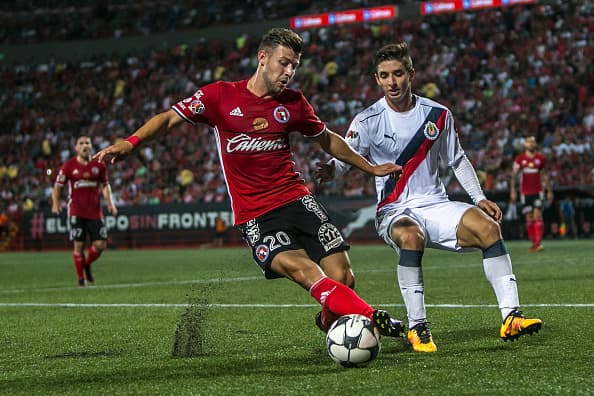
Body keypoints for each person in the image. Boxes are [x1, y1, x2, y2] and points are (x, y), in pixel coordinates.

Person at [93, 28, 404, 338]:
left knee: (343, 277)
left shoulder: (294, 103)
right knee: (306, 272)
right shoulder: (219, 96)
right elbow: (169, 118)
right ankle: (371, 317)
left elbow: (327, 140)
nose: (289, 72)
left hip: (297, 200)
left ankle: (329, 320)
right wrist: (130, 143)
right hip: (257, 215)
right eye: (284, 63)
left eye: (294, 65)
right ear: (262, 58)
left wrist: (371, 168)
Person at [316, 42, 542, 353]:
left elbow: (458, 159)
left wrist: (479, 198)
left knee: (489, 228)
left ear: (411, 74)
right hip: (394, 210)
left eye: (397, 74)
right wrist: (331, 171)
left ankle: (511, 317)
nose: (392, 82)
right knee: (411, 236)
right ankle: (417, 327)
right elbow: (346, 159)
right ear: (376, 79)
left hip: (436, 204)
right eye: (384, 76)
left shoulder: (437, 114)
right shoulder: (367, 120)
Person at [52, 135, 118, 287]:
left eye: (87, 143)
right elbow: (57, 187)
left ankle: (86, 264)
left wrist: (110, 203)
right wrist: (55, 203)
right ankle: (81, 279)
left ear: (91, 146)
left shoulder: (99, 165)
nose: (84, 145)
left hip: (95, 212)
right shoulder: (68, 166)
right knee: (79, 246)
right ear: (76, 147)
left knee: (101, 245)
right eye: (81, 143)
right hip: (76, 211)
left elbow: (105, 185)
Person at [510, 136, 554, 252]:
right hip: (525, 192)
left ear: (535, 144)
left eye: (533, 142)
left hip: (538, 191)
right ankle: (534, 243)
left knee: (537, 215)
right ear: (525, 145)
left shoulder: (541, 158)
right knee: (529, 217)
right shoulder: (519, 159)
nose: (531, 144)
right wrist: (513, 190)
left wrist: (549, 190)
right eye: (529, 142)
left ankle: (538, 244)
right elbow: (514, 176)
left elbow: (545, 175)